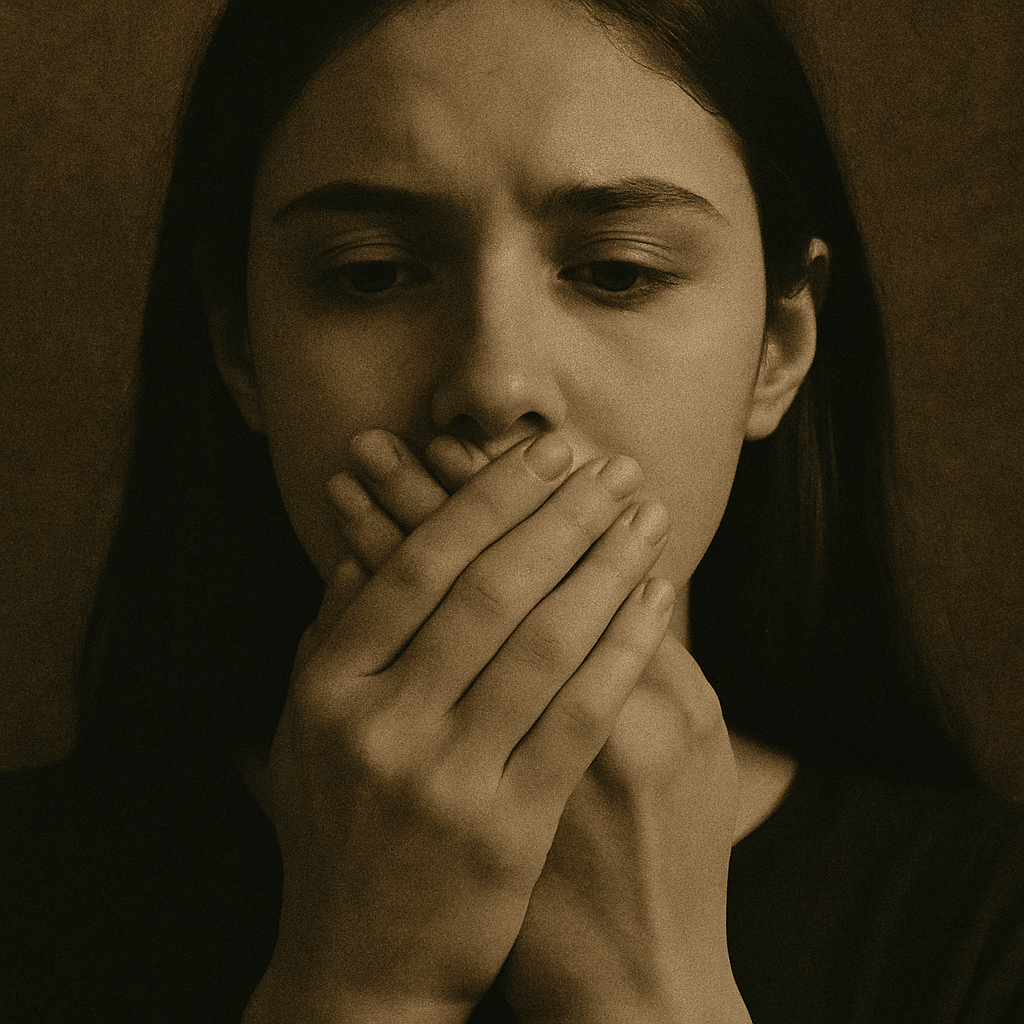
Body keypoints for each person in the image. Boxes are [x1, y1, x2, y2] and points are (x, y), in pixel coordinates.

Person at [2, 0, 1022, 1021]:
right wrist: (360, 989)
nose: (494, 380)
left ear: (777, 348)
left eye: (615, 271)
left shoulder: (982, 925)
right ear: (240, 347)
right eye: (372, 273)